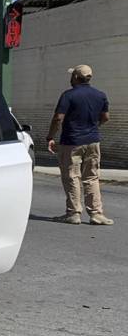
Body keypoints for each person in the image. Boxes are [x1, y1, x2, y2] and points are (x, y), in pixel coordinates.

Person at [46, 65, 113, 225]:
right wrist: (93, 128)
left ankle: (73, 213)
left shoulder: (68, 95)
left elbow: (58, 118)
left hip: (72, 142)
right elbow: (105, 117)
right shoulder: (100, 95)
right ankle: (96, 213)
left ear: (75, 77)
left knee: (72, 177)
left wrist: (50, 136)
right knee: (92, 177)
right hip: (93, 141)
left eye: (72, 76)